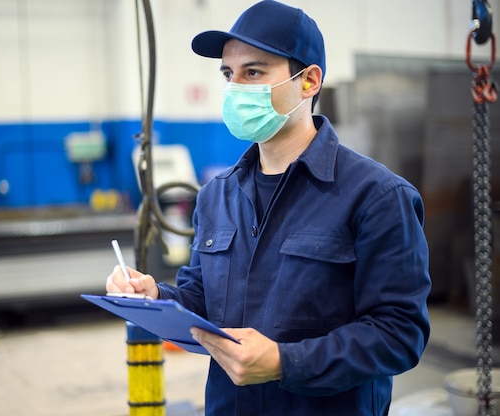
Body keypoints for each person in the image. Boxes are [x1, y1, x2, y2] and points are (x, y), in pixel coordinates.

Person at [106, 1, 431, 414]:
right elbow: (203, 297)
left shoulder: (377, 197)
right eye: (229, 74)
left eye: (253, 72)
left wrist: (284, 362)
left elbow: (399, 334)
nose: (235, 87)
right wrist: (155, 295)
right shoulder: (216, 195)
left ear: (309, 80)